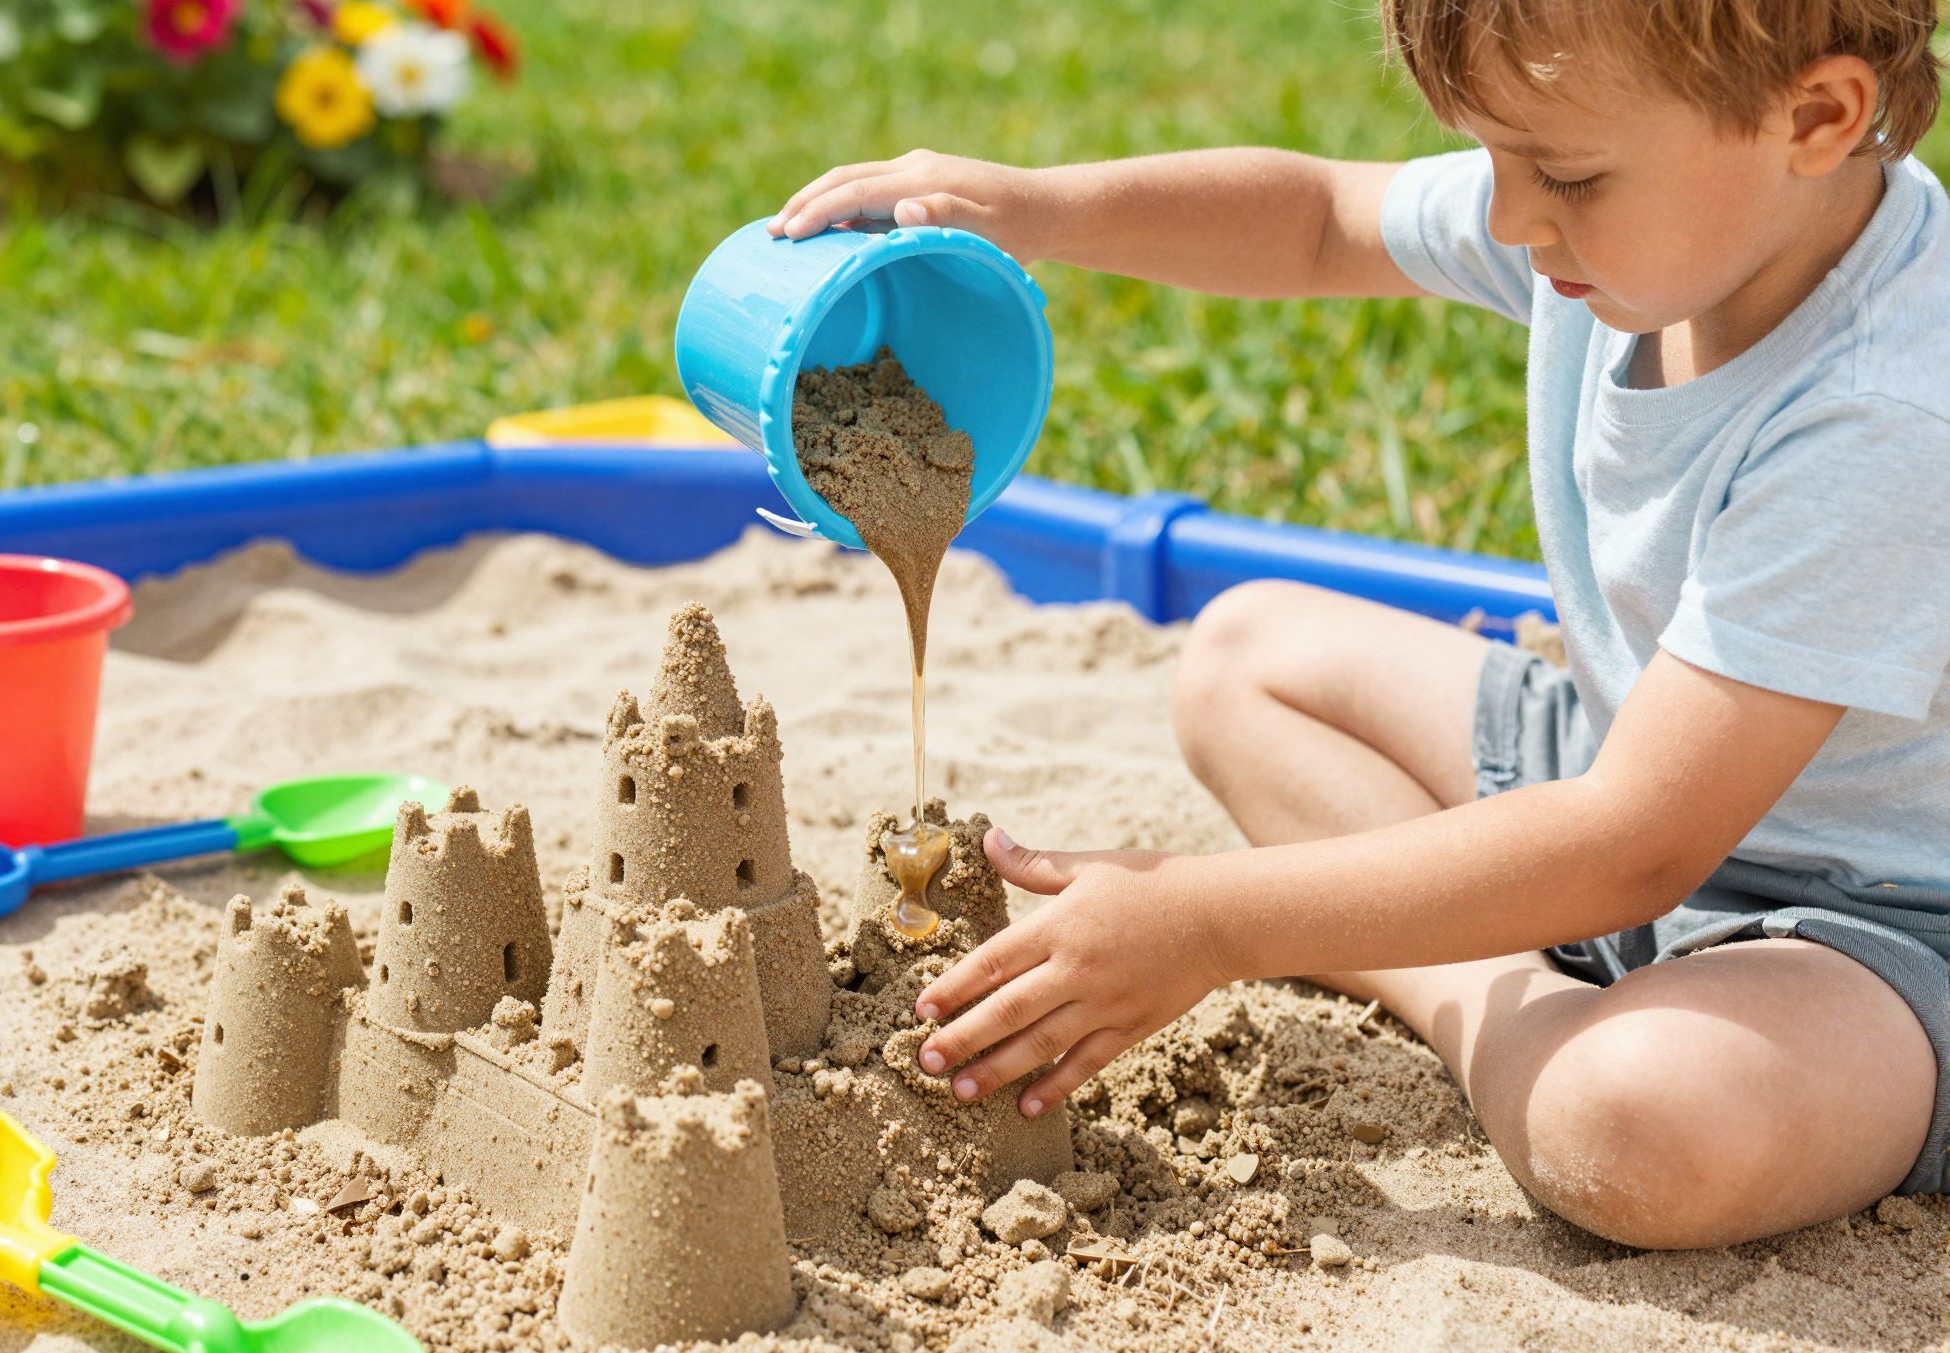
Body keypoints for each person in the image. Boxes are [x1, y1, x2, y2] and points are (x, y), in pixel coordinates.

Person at [768, 0, 1950, 1249]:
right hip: (1629, 762)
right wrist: (1033, 208)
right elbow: (1317, 218)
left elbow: (1640, 842)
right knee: (1244, 657)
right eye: (1488, 154)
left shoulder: (1881, 415)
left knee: (1638, 1128)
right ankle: (1494, 979)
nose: (1505, 217)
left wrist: (1210, 919)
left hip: (1874, 913)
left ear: (1815, 118)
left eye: (1560, 174)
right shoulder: (1661, 214)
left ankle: (1491, 999)